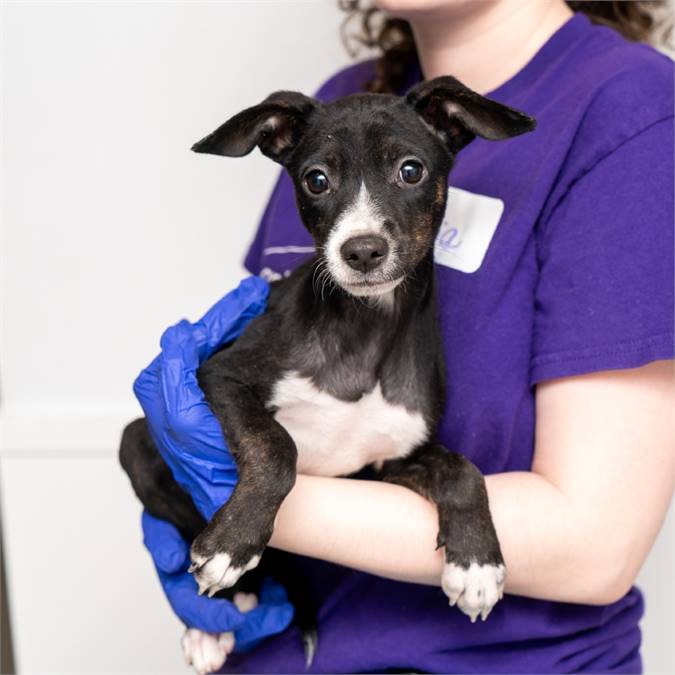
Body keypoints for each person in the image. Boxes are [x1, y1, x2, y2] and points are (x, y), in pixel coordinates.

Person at [138, 1, 674, 672]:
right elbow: (272, 381)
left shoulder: (632, 113)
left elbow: (594, 546)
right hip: (278, 649)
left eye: (409, 174)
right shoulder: (341, 102)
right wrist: (186, 499)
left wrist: (244, 504)